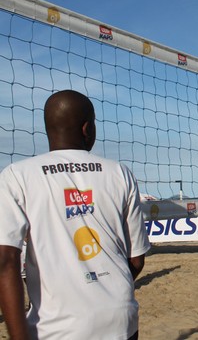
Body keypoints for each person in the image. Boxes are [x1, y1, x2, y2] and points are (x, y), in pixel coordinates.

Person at [0, 90, 151, 339]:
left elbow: (6, 262)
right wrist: (105, 287)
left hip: (55, 328)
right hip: (120, 321)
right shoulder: (120, 173)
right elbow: (137, 260)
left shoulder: (16, 175)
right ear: (87, 128)